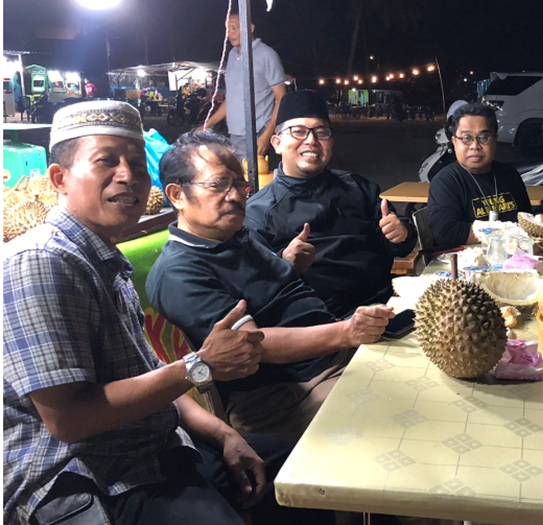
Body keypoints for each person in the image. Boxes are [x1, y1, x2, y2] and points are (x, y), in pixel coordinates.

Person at [2, 101, 318, 525]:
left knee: (305, 475)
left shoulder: (106, 261)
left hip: (156, 449)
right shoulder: (41, 261)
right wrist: (199, 366)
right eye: (106, 161)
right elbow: (69, 420)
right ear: (59, 178)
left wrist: (227, 436)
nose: (128, 176)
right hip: (85, 477)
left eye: (137, 163)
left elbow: (150, 375)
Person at [146, 129, 394, 440]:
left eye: (239, 184)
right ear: (177, 195)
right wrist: (346, 332)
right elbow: (252, 344)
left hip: (330, 359)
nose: (235, 196)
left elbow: (265, 293)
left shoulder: (238, 235)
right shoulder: (178, 271)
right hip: (284, 396)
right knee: (402, 413)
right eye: (219, 185)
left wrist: (288, 265)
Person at [244, 90, 417, 317]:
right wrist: (283, 263)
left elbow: (398, 245)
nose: (311, 140)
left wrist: (402, 233)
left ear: (331, 143)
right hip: (320, 322)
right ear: (277, 143)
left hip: (385, 305)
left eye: (321, 132)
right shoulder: (258, 212)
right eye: (298, 131)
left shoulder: (358, 187)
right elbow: (253, 287)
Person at [427, 102, 532, 248]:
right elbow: (446, 232)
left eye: (484, 137)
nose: (475, 146)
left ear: (495, 139)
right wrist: (503, 233)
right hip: (468, 260)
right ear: (454, 142)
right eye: (467, 138)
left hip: (516, 256)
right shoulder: (445, 182)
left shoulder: (510, 175)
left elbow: (527, 221)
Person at [200, 13, 287, 163]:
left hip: (258, 133)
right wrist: (207, 125)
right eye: (227, 29)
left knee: (258, 177)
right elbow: (231, 99)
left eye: (234, 28)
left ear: (251, 28)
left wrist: (267, 135)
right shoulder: (232, 55)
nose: (229, 33)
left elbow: (282, 98)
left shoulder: (266, 54)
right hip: (235, 136)